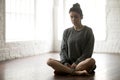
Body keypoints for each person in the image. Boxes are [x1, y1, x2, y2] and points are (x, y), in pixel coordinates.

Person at [47, 3, 96, 76]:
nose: (73, 19)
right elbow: (63, 50)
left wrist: (76, 63)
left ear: (81, 17)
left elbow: (88, 52)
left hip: (81, 64)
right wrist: (65, 63)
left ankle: (64, 71)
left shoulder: (88, 31)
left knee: (91, 61)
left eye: (76, 17)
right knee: (49, 61)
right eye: (71, 17)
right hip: (68, 64)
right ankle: (75, 72)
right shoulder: (66, 32)